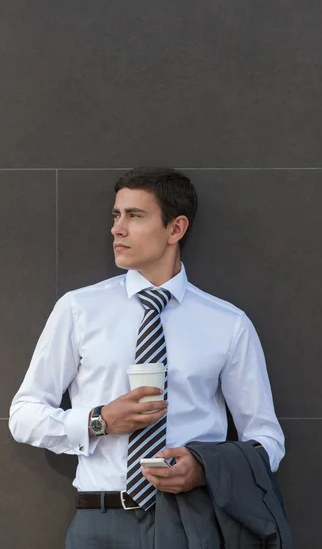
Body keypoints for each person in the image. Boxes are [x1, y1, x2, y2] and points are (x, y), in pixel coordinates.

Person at [9, 166, 285, 548]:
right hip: (99, 525)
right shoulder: (78, 310)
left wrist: (205, 470)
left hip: (193, 524)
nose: (117, 229)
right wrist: (99, 421)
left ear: (176, 229)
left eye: (135, 216)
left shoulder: (228, 324)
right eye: (116, 215)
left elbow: (267, 439)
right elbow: (23, 416)